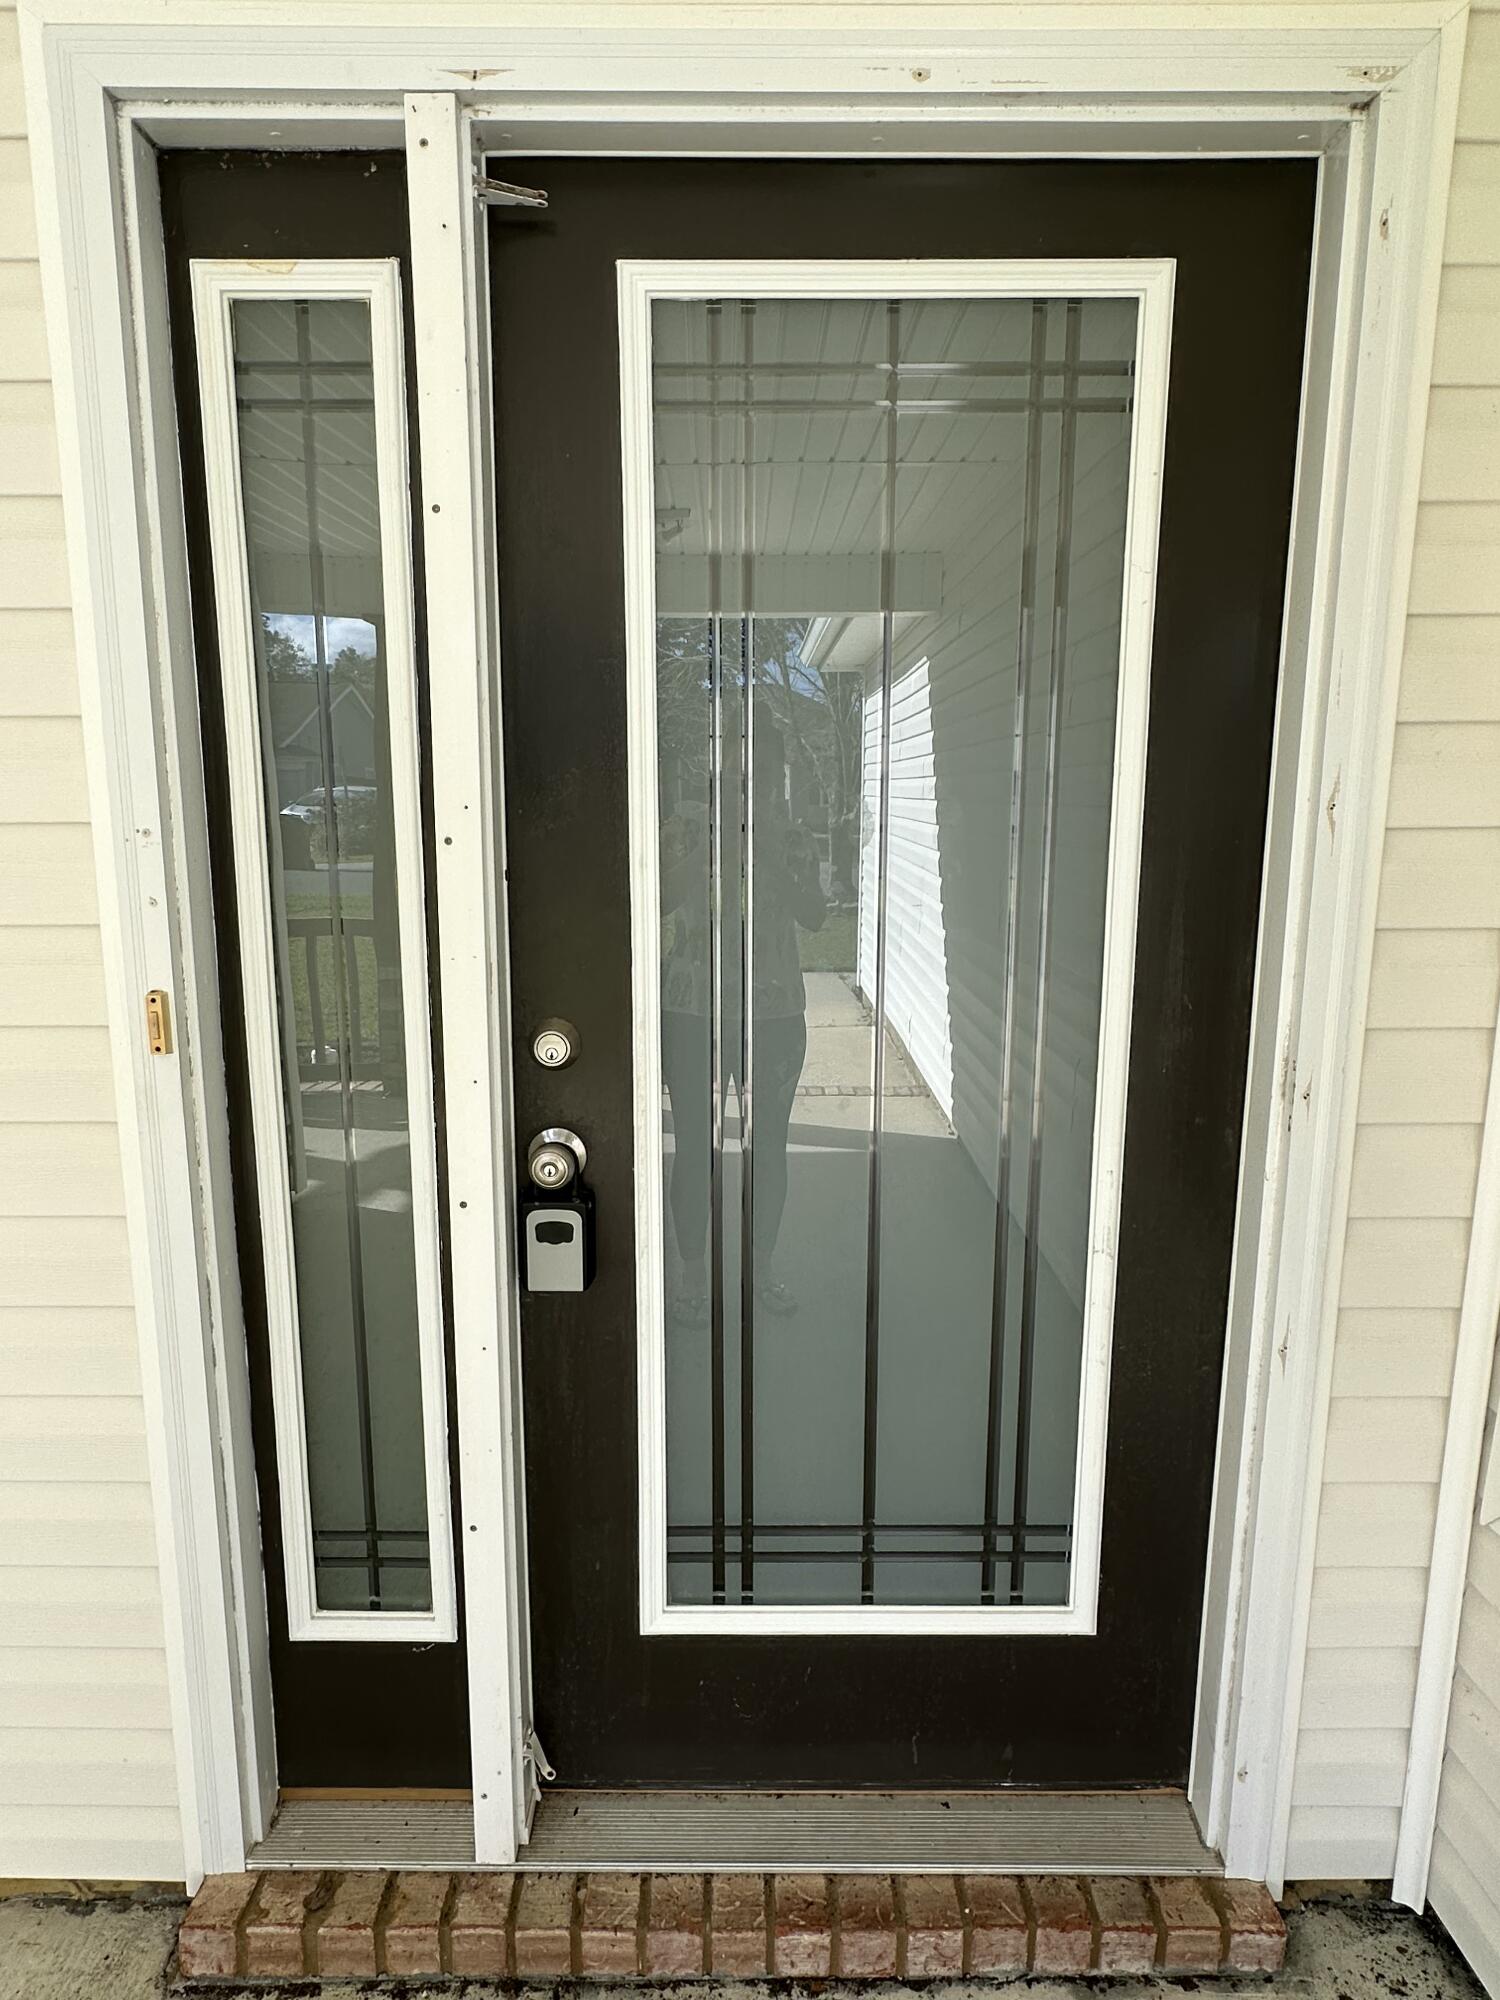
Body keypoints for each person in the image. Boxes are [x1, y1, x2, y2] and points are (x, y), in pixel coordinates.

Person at [660, 718, 825, 1325]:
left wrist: (766, 855)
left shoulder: (793, 836)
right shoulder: (683, 828)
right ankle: (692, 1277)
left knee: (768, 1149)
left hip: (774, 1017)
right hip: (692, 1015)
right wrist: (712, 847)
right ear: (716, 771)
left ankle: (763, 1270)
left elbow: (815, 915)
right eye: (734, 770)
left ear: (776, 776)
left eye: (761, 772)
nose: (747, 782)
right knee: (695, 1147)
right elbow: (657, 901)